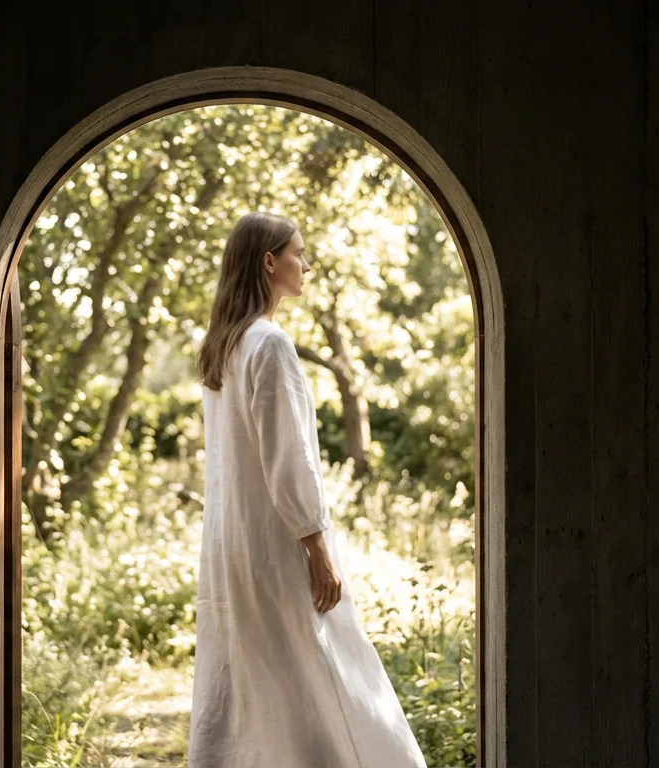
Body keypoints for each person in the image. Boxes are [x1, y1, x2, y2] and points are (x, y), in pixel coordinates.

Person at [188, 211, 426, 768]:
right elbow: (288, 462)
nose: (307, 263)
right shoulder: (268, 345)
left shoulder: (225, 347)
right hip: (277, 544)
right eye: (299, 252)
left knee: (262, 683)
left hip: (232, 545)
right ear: (270, 262)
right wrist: (318, 550)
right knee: (326, 668)